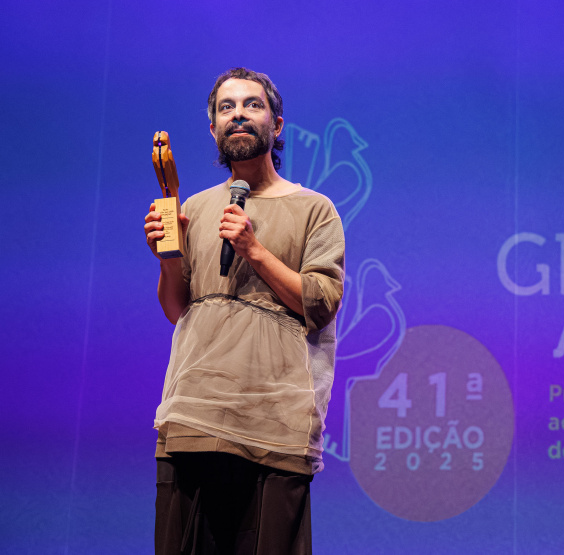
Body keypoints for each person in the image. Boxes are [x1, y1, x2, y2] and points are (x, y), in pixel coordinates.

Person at [143, 67, 344, 554]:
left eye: (253, 105)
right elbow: (178, 308)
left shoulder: (314, 208)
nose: (238, 115)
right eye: (226, 107)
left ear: (277, 124)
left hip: (273, 426)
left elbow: (320, 302)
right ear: (213, 127)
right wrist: (168, 258)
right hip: (193, 415)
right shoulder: (194, 207)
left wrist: (254, 250)